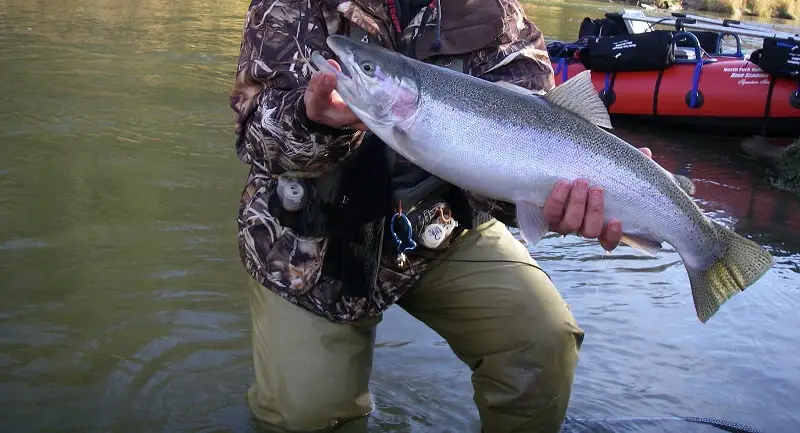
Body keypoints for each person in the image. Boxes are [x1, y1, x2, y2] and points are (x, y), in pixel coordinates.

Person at [229, 1, 654, 432]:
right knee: (308, 419)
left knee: (544, 341)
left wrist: (556, 203)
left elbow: (532, 145)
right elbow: (254, 139)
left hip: (442, 227)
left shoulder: (494, 10)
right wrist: (311, 118)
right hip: (310, 245)